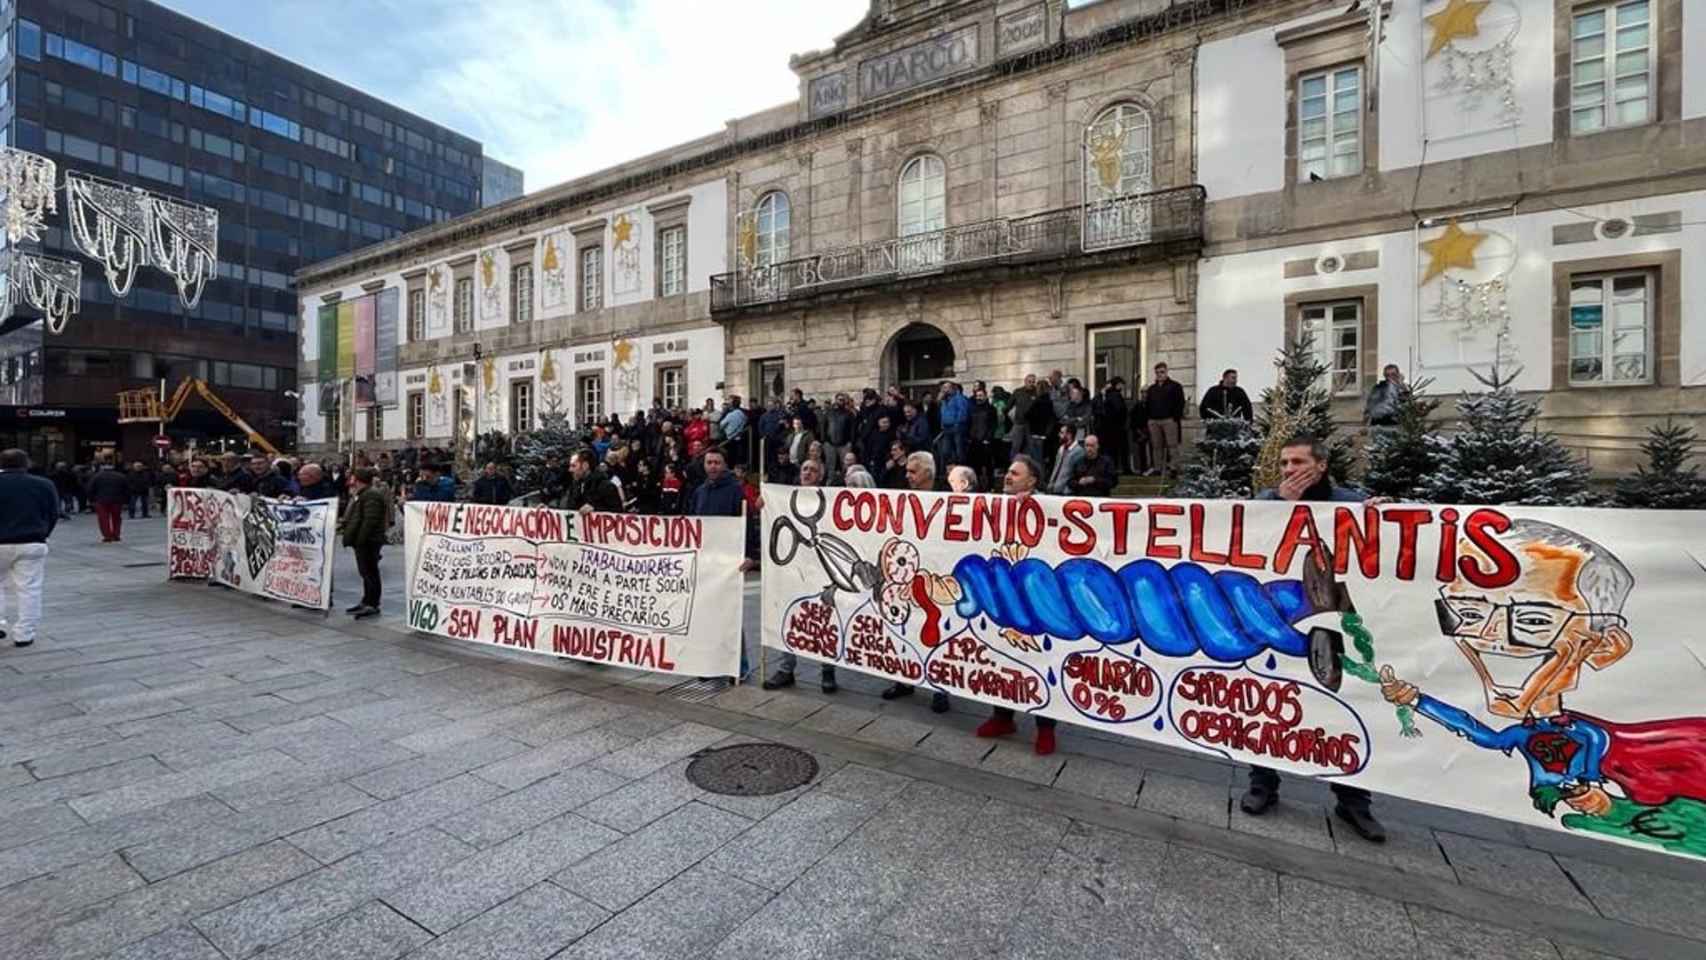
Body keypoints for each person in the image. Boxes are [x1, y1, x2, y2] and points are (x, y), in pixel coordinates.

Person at [1240, 433, 1386, 843]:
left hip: (1335, 622)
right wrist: (1286, 508)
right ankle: (1262, 784)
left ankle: (1353, 800)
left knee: (1343, 706)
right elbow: (1247, 537)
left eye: (1297, 462)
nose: (1288, 470)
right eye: (1284, 463)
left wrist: (1383, 518)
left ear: (1321, 465)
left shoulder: (1349, 501)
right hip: (1279, 620)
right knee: (1267, 703)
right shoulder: (1268, 501)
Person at [975, 454, 1059, 754]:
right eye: (1007, 472)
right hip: (1001, 595)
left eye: (1014, 472)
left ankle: (1045, 727)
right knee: (1001, 659)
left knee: (1040, 660)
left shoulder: (1050, 508)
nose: (1007, 476)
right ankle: (1002, 717)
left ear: (1032, 480)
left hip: (1035, 598)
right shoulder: (994, 506)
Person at [880, 451, 950, 713]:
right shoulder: (902, 493)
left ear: (928, 473)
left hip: (937, 571)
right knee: (904, 627)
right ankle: (903, 678)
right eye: (907, 471)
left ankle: (940, 687)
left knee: (936, 630)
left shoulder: (950, 496)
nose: (907, 476)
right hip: (906, 570)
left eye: (913, 471)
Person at [762, 458, 839, 693]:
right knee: (789, 616)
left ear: (821, 475)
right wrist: (764, 504)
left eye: (813, 470)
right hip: (793, 569)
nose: (807, 472)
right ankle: (786, 668)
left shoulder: (829, 500)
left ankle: (828, 671)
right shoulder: (787, 497)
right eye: (804, 469)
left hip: (820, 571)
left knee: (824, 620)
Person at [688, 448, 756, 680]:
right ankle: (711, 663)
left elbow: (747, 525)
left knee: (731, 614)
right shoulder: (699, 492)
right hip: (706, 561)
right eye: (709, 462)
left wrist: (750, 555)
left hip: (729, 562)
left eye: (717, 462)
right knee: (707, 613)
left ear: (724, 465)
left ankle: (739, 665)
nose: (713, 466)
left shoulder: (736, 491)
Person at [0, 449, 57, 648]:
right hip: (32, 541)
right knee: (29, 588)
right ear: (26, 463)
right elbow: (53, 513)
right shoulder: (43, 484)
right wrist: (43, 533)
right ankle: (24, 633)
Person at [342, 467, 387, 619]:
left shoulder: (371, 495)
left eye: (352, 478)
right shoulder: (362, 494)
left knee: (370, 572)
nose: (350, 481)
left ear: (358, 479)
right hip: (363, 541)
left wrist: (360, 540)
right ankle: (366, 600)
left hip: (368, 541)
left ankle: (372, 603)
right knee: (366, 572)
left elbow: (370, 521)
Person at [1144, 362, 1185, 478]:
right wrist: (1149, 419)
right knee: (1156, 445)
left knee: (1172, 445)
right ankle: (1157, 468)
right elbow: (1147, 404)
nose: (1160, 375)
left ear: (1166, 372)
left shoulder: (1175, 386)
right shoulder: (1152, 389)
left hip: (1169, 419)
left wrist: (1175, 417)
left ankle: (1174, 468)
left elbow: (1180, 403)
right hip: (1154, 420)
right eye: (1157, 373)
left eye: (1162, 372)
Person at [560, 449, 622, 514]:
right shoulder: (575, 485)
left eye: (573, 466)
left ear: (585, 465)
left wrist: (596, 509)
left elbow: (618, 513)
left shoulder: (606, 486)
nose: (570, 470)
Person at [86, 456, 130, 543]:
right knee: (116, 518)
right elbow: (127, 489)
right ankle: (116, 535)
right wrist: (126, 501)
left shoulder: (96, 476)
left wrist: (91, 500)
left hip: (101, 500)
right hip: (117, 500)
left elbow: (90, 489)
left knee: (103, 519)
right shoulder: (121, 476)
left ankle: (107, 536)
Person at [1094, 378, 1130, 475]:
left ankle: (1114, 468)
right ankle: (1123, 469)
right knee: (1120, 449)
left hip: (1109, 427)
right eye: (1122, 385)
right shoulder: (1115, 395)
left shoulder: (1108, 395)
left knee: (1112, 450)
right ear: (1118, 385)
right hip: (1116, 427)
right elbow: (1119, 410)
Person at [1047, 423, 1084, 495]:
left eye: (1061, 433)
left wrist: (1067, 489)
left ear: (1069, 435)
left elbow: (1075, 474)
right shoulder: (1061, 449)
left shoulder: (1079, 451)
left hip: (1065, 492)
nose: (1059, 435)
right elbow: (1056, 468)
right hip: (1054, 489)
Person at [1365, 364, 1404, 428]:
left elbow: (1407, 401)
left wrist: (1400, 385)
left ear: (1398, 374)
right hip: (1380, 423)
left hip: (1397, 423)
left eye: (1393, 374)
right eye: (1387, 375)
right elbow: (1372, 405)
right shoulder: (1378, 388)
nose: (1390, 377)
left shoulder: (1403, 387)